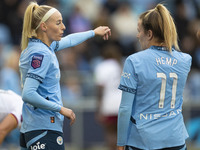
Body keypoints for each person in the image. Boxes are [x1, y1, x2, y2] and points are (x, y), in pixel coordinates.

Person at [19, 2, 111, 150]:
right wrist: (60, 109)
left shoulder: (40, 47)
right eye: (58, 23)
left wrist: (93, 32)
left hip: (32, 126)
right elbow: (28, 94)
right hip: (44, 127)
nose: (64, 27)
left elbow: (69, 40)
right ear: (44, 26)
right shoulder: (42, 53)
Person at [117, 3, 192, 150]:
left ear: (149, 34)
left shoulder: (134, 61)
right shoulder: (186, 60)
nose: (138, 35)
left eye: (140, 31)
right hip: (176, 140)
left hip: (143, 141)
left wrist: (120, 143)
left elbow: (125, 108)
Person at [94, 44, 122, 150]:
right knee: (120, 134)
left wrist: (99, 107)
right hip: (121, 103)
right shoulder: (120, 65)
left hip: (109, 104)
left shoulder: (102, 66)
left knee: (110, 132)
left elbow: (100, 88)